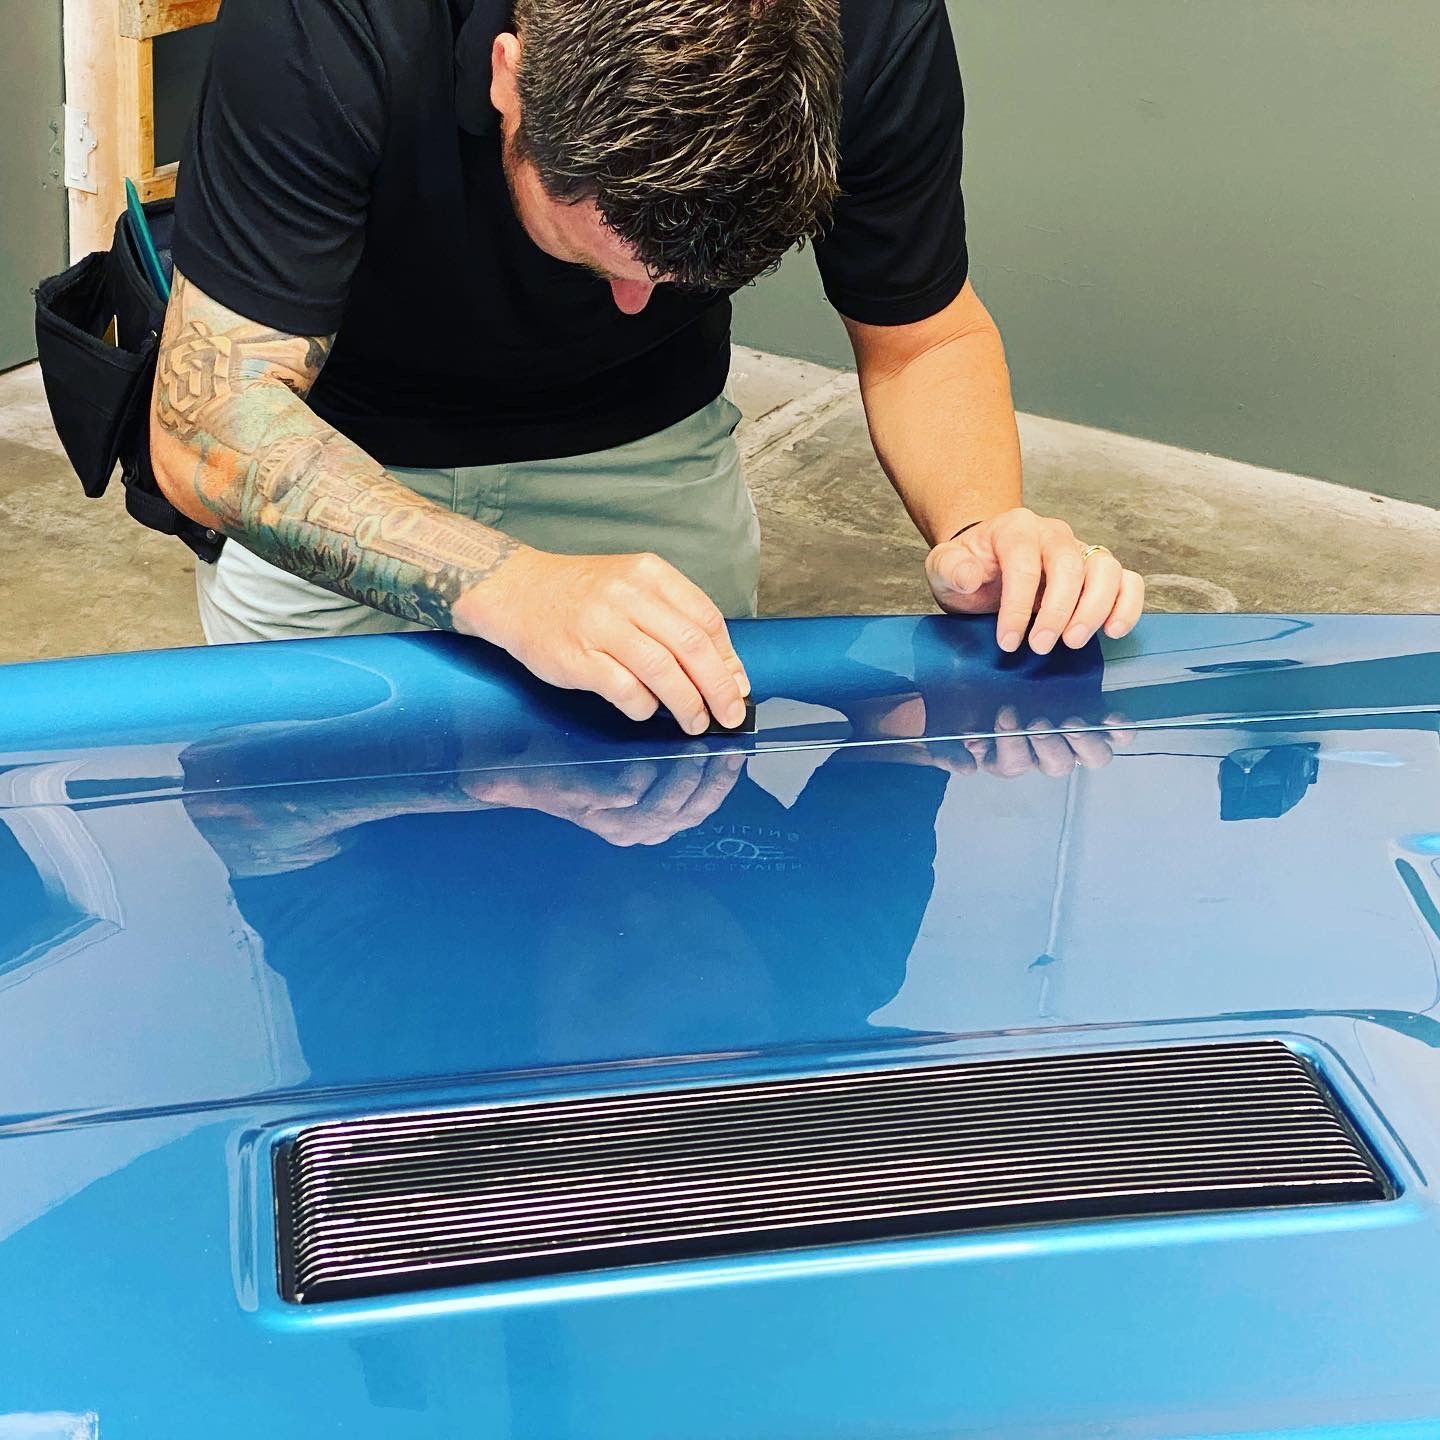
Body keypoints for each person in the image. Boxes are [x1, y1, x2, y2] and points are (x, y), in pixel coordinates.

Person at [149, 0, 1146, 737]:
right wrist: (510, 585)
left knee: (676, 864)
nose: (634, 302)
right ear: (508, 72)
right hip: (338, 460)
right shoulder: (328, 22)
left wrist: (979, 526)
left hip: (644, 451)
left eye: (681, 279)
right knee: (336, 891)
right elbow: (211, 426)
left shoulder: (872, 27)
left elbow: (922, 336)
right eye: (598, 255)